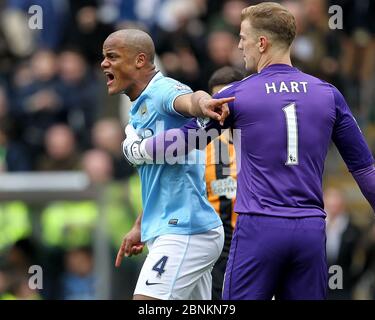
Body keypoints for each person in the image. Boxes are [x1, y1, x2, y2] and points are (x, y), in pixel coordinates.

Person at [123, 2, 375, 300]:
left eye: (243, 37)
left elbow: (185, 142)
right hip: (309, 230)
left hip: (259, 228)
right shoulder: (327, 94)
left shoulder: (238, 94)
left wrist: (138, 147)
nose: (240, 46)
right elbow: (364, 170)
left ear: (262, 42)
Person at [101, 29, 234, 300]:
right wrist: (141, 223)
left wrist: (203, 103)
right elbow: (163, 176)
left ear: (140, 60)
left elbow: (188, 99)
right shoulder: (138, 107)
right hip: (177, 228)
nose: (104, 64)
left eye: (112, 57)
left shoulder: (161, 91)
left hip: (185, 230)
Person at [205, 66, 244, 300]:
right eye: (216, 102)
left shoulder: (263, 139)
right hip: (217, 247)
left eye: (227, 100)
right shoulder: (203, 147)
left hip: (257, 240)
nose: (222, 109)